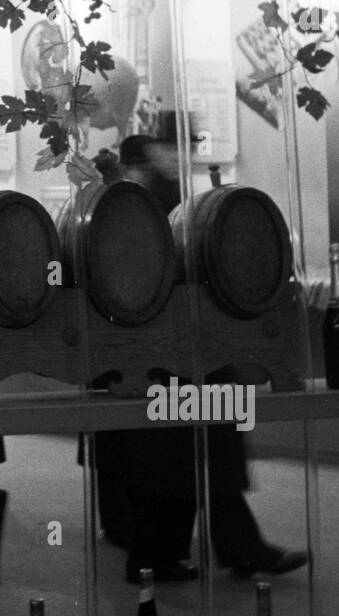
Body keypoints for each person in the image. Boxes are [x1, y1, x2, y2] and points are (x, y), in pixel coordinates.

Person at [117, 134, 307, 582]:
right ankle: (230, 550)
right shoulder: (144, 205)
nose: (178, 155)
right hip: (174, 352)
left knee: (187, 457)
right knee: (198, 453)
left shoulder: (166, 200)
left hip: (186, 350)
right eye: (170, 147)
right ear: (149, 157)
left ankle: (163, 556)